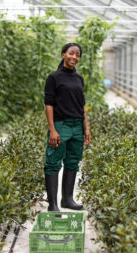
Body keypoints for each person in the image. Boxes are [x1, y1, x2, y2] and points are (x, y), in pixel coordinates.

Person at [43, 43, 91, 212]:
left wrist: (86, 128)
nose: (74, 57)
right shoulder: (54, 77)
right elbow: (49, 105)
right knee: (53, 163)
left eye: (77, 55)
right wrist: (53, 129)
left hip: (77, 126)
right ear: (63, 54)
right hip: (60, 125)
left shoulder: (79, 79)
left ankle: (67, 199)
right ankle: (53, 204)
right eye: (71, 53)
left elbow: (82, 105)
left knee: (72, 162)